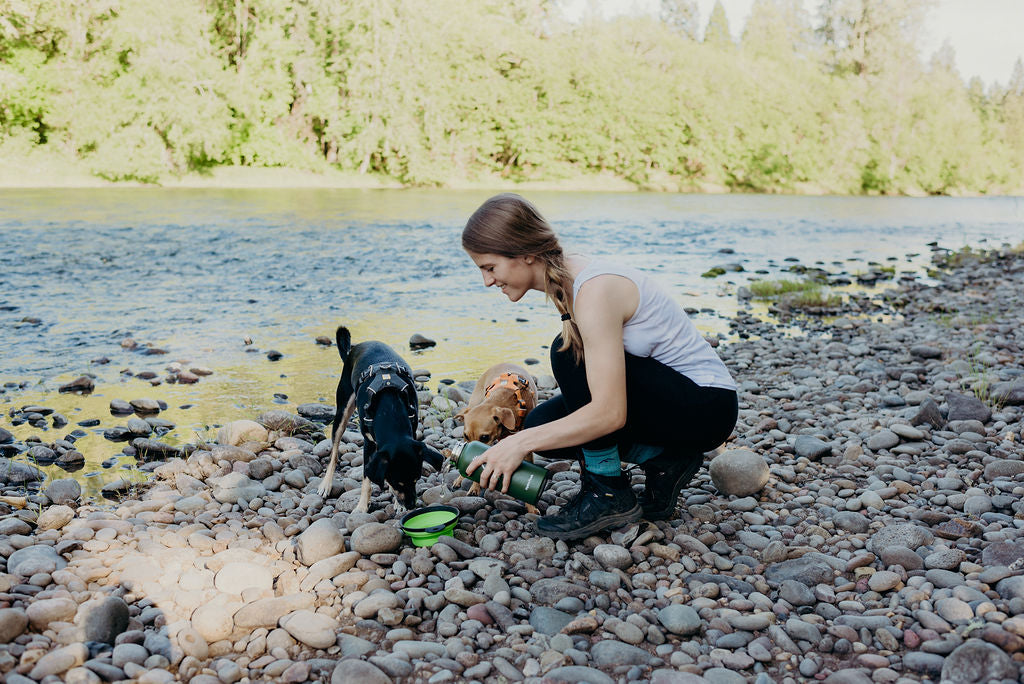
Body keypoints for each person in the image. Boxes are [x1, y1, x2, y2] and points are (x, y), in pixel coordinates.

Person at [462, 193, 738, 541]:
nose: (488, 281)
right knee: (542, 424)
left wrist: (517, 444)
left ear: (525, 253)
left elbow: (610, 415)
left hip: (706, 407)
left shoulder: (593, 290)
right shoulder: (567, 279)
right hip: (673, 402)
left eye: (490, 267)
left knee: (567, 353)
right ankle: (665, 461)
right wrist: (529, 435)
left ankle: (607, 492)